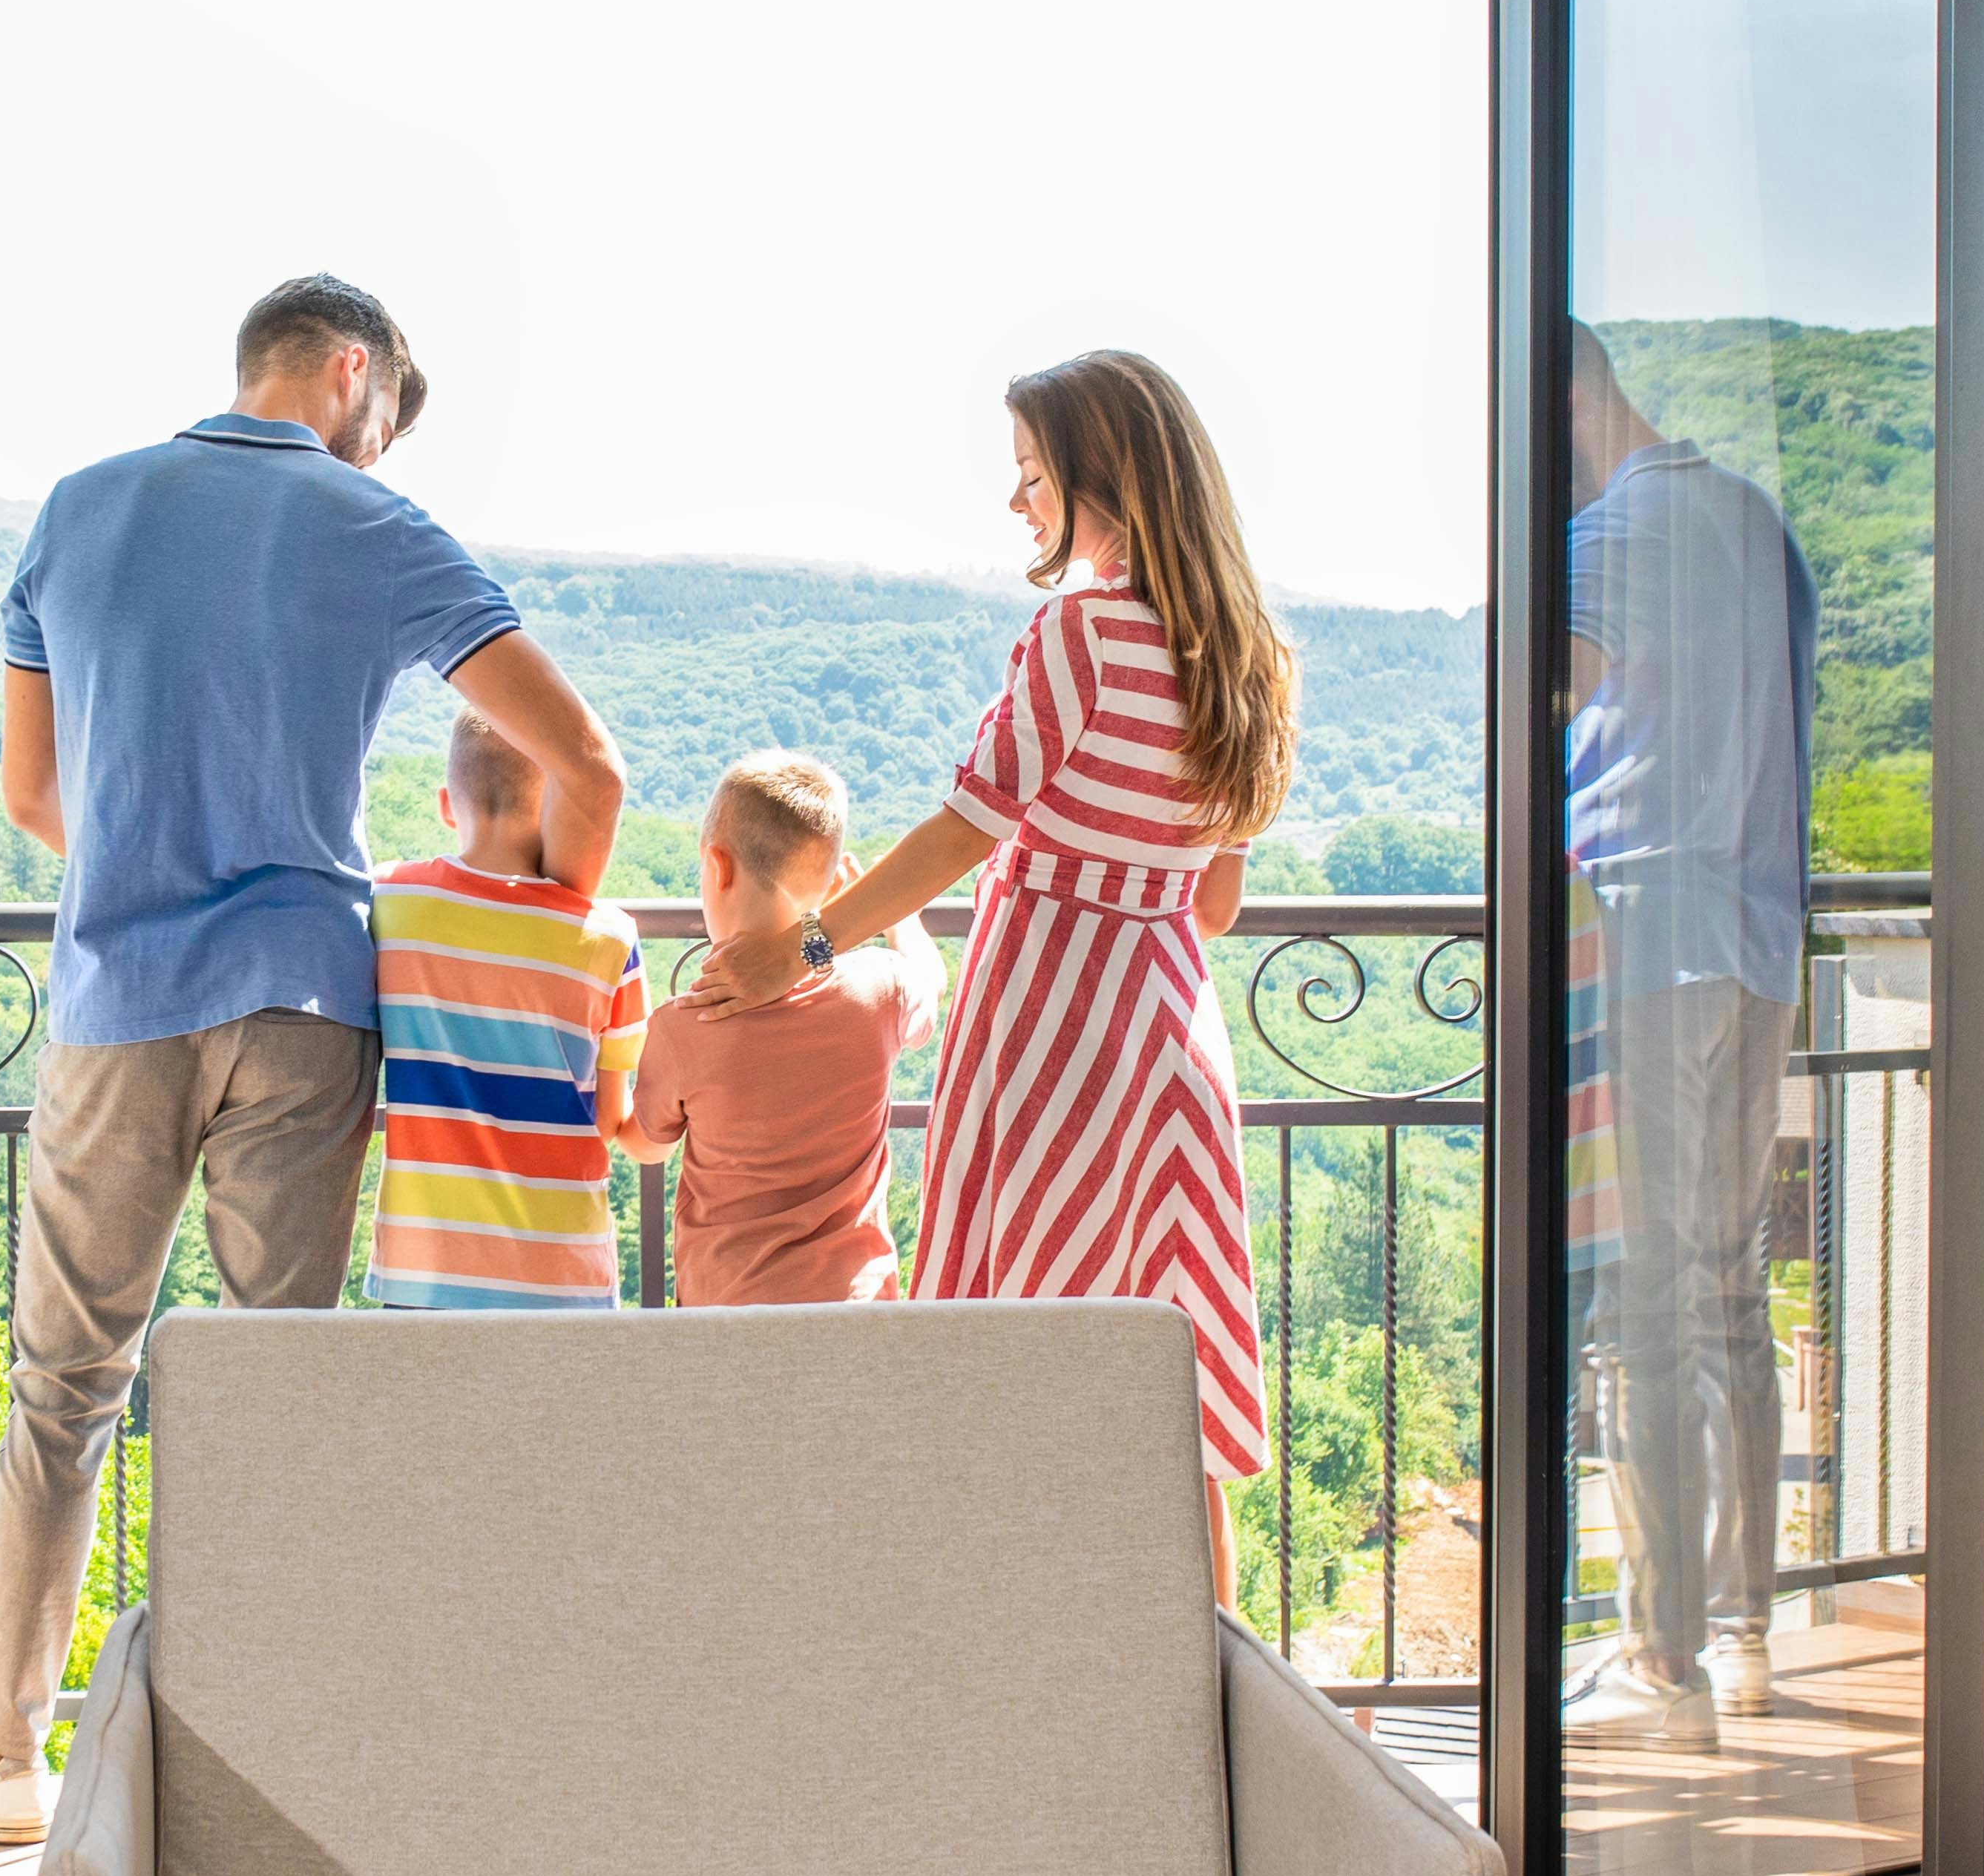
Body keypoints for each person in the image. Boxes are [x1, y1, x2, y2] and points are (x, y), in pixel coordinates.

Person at [0, 275, 626, 1845]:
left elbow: (33, 799)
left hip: (118, 998)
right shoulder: (377, 526)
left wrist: (147, 854)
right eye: (383, 425)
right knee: (278, 1383)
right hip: (310, 1000)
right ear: (350, 371)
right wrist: (547, 933)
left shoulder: (77, 506)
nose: (375, 454)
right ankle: (263, 1762)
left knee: (62, 1386)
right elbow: (583, 758)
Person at [691, 351, 1293, 1598]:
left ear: (1099, 475)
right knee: (1170, 1395)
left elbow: (965, 829)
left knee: (1012, 1364)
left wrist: (800, 948)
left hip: (1052, 1030)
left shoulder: (1081, 633)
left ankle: (1003, 1653)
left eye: (1033, 473)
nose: (1016, 500)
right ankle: (1203, 1679)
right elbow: (1214, 904)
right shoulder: (1246, 659)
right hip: (1172, 1038)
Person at [1557, 321, 1818, 1749]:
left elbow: (1542, 697)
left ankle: (1660, 1665)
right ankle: (1743, 1633)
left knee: (1639, 1311)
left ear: (1568, 401)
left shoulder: (1614, 538)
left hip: (1645, 940)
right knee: (1727, 1296)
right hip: (1760, 942)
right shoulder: (1756, 526)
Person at [619, 750, 942, 1306]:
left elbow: (646, 1147)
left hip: (730, 1309)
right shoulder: (881, 990)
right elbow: (930, 980)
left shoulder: (683, 1026)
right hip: (859, 1309)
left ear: (716, 867)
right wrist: (897, 918)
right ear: (835, 888)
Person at [368, 707, 648, 1311]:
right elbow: (609, 1119)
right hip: (563, 1272)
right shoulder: (612, 938)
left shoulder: (389, 901)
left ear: (447, 805)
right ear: (553, 807)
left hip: (426, 1269)